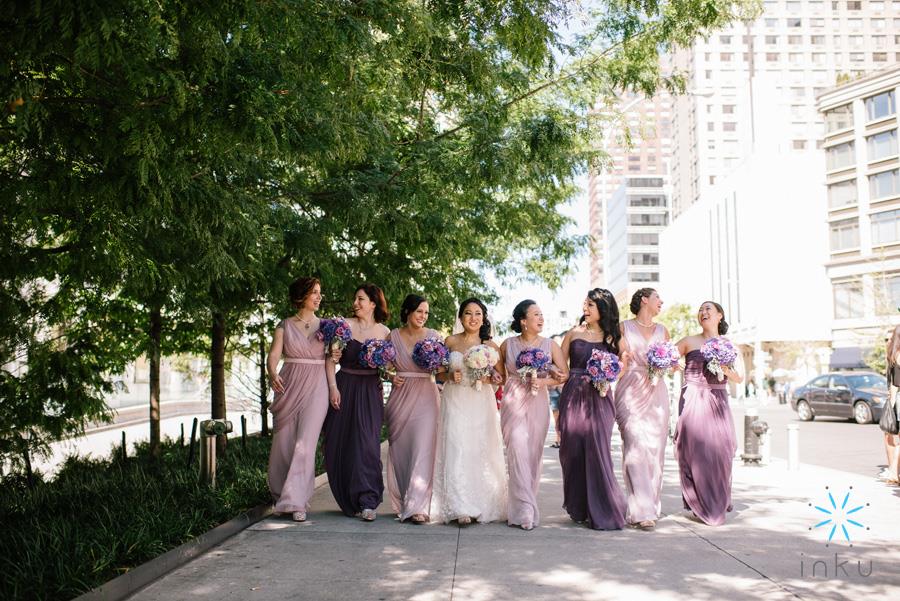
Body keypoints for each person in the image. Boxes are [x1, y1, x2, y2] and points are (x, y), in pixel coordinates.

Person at [267, 277, 339, 522]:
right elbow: (274, 355)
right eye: (315, 293)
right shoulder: (284, 325)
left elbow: (331, 360)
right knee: (284, 442)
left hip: (317, 385)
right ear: (302, 295)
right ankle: (280, 492)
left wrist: (333, 388)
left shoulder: (328, 327)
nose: (319, 297)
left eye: (320, 292)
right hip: (288, 384)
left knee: (305, 444)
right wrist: (272, 372)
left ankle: (297, 501)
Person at [430, 298, 507, 525]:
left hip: (480, 401)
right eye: (468, 313)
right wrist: (448, 376)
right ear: (461, 317)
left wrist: (487, 377)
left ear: (483, 318)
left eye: (477, 314)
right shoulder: (450, 341)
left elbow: (500, 379)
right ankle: (460, 506)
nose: (473, 318)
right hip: (455, 398)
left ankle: (480, 503)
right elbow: (439, 373)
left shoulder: (490, 346)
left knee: (477, 448)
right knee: (456, 447)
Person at [558, 288, 627, 530]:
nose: (585, 309)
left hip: (600, 395)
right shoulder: (573, 333)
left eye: (590, 305)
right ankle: (579, 506)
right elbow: (561, 368)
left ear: (603, 309)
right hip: (573, 393)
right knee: (572, 449)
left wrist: (608, 372)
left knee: (597, 449)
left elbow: (623, 365)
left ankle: (603, 507)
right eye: (584, 304)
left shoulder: (614, 336)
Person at [323, 283, 391, 521]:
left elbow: (388, 366)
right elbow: (331, 360)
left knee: (368, 444)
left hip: (370, 390)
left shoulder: (384, 332)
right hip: (344, 386)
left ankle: (368, 501)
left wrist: (390, 374)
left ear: (373, 303)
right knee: (340, 442)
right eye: (355, 299)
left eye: (360, 299)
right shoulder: (344, 327)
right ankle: (349, 498)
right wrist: (332, 388)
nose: (355, 303)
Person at [498, 301, 567, 530]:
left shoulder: (550, 345)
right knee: (517, 449)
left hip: (538, 400)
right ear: (523, 321)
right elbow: (498, 375)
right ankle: (524, 510)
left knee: (533, 453)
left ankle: (525, 504)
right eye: (536, 315)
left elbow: (563, 375)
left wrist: (545, 379)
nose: (541, 318)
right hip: (513, 400)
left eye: (542, 314)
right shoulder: (507, 345)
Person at [674, 301, 743, 526]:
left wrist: (725, 368)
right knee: (697, 453)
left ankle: (717, 499)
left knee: (721, 453)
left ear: (719, 316)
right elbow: (665, 357)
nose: (703, 313)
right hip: (694, 398)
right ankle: (701, 502)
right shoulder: (689, 341)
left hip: (718, 400)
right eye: (701, 310)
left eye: (708, 310)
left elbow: (740, 377)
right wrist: (673, 365)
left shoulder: (730, 345)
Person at [614, 287, 671, 530]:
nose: (662, 301)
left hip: (657, 391)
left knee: (655, 450)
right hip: (629, 388)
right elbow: (619, 361)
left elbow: (669, 360)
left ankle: (650, 504)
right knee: (635, 446)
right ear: (645, 300)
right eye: (658, 298)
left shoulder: (663, 330)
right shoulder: (623, 328)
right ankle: (642, 511)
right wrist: (621, 362)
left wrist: (669, 364)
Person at [385, 294, 442, 523]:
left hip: (427, 396)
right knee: (401, 451)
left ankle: (418, 507)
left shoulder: (434, 336)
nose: (423, 316)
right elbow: (385, 366)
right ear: (408, 311)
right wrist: (390, 375)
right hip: (400, 397)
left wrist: (438, 364)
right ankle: (404, 499)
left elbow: (441, 368)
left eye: (426, 313)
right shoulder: (393, 336)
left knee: (423, 449)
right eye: (419, 311)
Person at [881, 325, 900, 485]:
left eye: (890, 338)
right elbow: (895, 383)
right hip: (896, 399)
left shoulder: (894, 356)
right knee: (893, 439)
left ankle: (893, 471)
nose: (888, 341)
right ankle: (893, 471)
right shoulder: (895, 356)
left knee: (896, 440)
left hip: (896, 400)